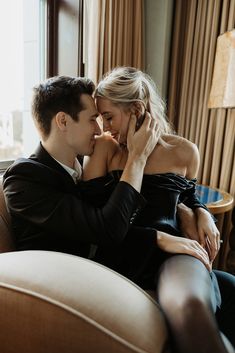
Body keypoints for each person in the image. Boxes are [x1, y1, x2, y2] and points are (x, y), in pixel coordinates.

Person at [81, 67, 235, 353]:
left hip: (174, 255)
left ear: (137, 110)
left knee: (191, 305)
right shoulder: (105, 150)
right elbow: (98, 224)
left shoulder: (185, 151)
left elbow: (187, 197)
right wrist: (135, 157)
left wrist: (203, 213)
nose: (104, 127)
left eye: (109, 116)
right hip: (125, 252)